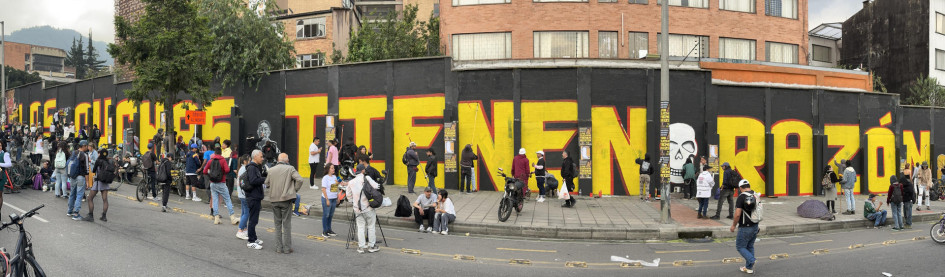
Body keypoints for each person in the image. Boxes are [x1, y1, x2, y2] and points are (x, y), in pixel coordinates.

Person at [265, 153, 304, 254]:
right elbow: (300, 179)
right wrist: (294, 190)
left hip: (274, 199)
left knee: (277, 224)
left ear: (278, 160)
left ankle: (278, 248)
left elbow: (267, 183)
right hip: (286, 199)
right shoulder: (290, 168)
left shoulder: (271, 170)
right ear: (286, 160)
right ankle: (287, 248)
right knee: (286, 224)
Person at [346, 169, 382, 254]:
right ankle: (371, 246)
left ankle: (361, 247)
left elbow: (348, 195)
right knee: (371, 226)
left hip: (357, 209)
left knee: (360, 227)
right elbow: (377, 186)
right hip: (368, 207)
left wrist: (353, 202)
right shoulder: (367, 178)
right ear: (362, 171)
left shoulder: (351, 182)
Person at [730, 180, 758, 274]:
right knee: (749, 246)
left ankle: (751, 260)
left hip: (745, 226)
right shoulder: (755, 194)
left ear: (740, 188)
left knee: (740, 246)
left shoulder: (742, 196)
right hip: (755, 225)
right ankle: (749, 268)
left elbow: (737, 214)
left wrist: (733, 225)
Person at [204, 146, 236, 225]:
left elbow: (204, 171)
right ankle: (232, 217)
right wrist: (223, 173)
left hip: (213, 183)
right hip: (221, 182)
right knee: (227, 199)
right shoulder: (223, 160)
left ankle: (216, 218)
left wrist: (210, 176)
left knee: (215, 200)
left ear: (214, 153)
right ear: (221, 153)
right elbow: (227, 170)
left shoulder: (210, 161)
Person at [243, 150, 266, 250]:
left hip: (254, 196)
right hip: (253, 197)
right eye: (261, 157)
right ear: (255, 157)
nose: (262, 158)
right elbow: (253, 181)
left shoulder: (254, 167)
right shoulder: (252, 168)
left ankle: (254, 238)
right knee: (253, 220)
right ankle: (251, 241)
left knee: (254, 219)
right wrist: (265, 179)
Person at [85, 148, 116, 222]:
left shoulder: (98, 161)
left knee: (90, 198)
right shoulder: (108, 161)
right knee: (105, 200)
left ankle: (91, 215)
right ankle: (104, 216)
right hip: (106, 182)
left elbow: (93, 170)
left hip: (98, 181)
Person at [67, 140, 90, 220]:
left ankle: (69, 211)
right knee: (79, 195)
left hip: (72, 176)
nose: (87, 148)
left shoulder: (74, 153)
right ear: (84, 146)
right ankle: (76, 214)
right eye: (86, 146)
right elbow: (87, 169)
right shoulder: (85, 155)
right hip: (80, 177)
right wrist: (87, 181)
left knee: (72, 194)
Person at [321, 163, 342, 238]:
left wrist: (338, 197)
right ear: (328, 169)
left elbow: (335, 188)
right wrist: (327, 199)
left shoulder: (334, 177)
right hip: (327, 198)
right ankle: (324, 231)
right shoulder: (325, 178)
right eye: (332, 168)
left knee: (330, 215)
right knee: (326, 215)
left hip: (333, 198)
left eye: (334, 168)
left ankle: (329, 230)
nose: (334, 169)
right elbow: (323, 189)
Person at [234, 155, 251, 239]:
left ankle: (244, 229)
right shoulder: (244, 169)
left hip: (241, 194)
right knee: (246, 213)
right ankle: (240, 230)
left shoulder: (241, 168)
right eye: (249, 160)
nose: (250, 162)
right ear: (245, 161)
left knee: (244, 212)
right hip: (244, 194)